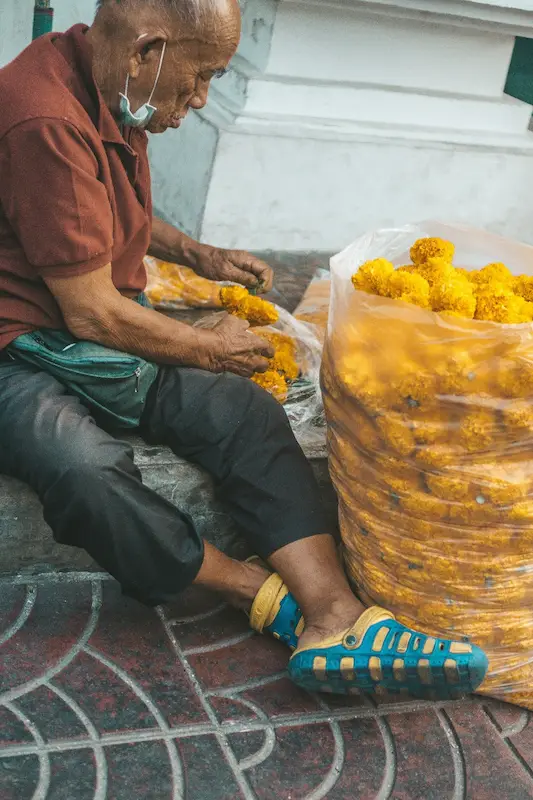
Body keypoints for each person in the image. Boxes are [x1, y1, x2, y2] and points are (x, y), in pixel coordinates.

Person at [0, 0, 488, 699]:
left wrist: (197, 253)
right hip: (18, 346)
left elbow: (98, 210)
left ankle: (336, 616)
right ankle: (255, 593)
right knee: (80, 466)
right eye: (198, 79)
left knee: (242, 413)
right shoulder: (42, 115)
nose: (198, 101)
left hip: (95, 325)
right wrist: (208, 349)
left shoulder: (107, 81)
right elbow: (94, 317)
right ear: (147, 50)